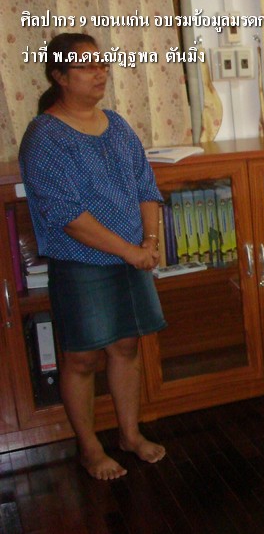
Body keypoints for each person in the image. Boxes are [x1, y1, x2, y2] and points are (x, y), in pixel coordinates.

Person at [18, 33, 167, 480]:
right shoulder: (45, 135)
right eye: (86, 66)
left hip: (131, 258)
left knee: (126, 347)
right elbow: (67, 215)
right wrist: (131, 252)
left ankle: (130, 435)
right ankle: (89, 448)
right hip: (82, 262)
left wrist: (149, 241)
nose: (99, 73)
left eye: (102, 64)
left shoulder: (116, 124)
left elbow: (146, 186)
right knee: (81, 358)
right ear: (59, 77)